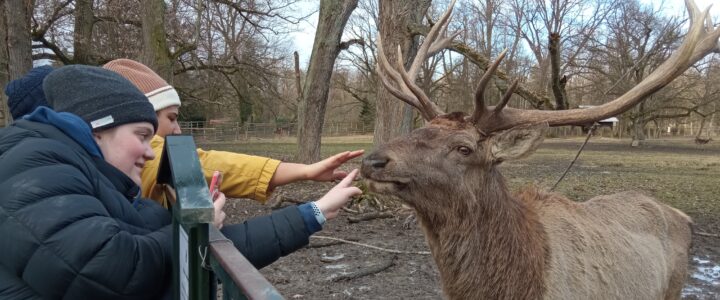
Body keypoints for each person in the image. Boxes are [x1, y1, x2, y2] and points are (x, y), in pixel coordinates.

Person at [0, 65, 361, 298]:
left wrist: (315, 211)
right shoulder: (37, 166)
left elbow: (207, 242)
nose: (155, 148)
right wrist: (303, 172)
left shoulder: (102, 185)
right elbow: (104, 268)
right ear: (97, 127)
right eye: (146, 133)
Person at [102, 58, 363, 208]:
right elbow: (202, 165)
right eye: (171, 118)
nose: (178, 130)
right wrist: (304, 172)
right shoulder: (144, 160)